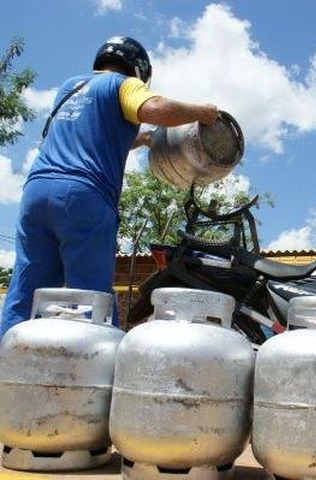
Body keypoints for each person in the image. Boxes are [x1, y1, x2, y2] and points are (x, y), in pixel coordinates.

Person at [1, 36, 220, 337]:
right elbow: (155, 108)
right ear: (138, 69)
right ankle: (99, 372)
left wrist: (141, 139)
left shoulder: (70, 87)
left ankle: (7, 366)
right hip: (82, 196)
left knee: (27, 290)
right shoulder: (124, 84)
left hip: (36, 193)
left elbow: (93, 134)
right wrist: (201, 112)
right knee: (91, 297)